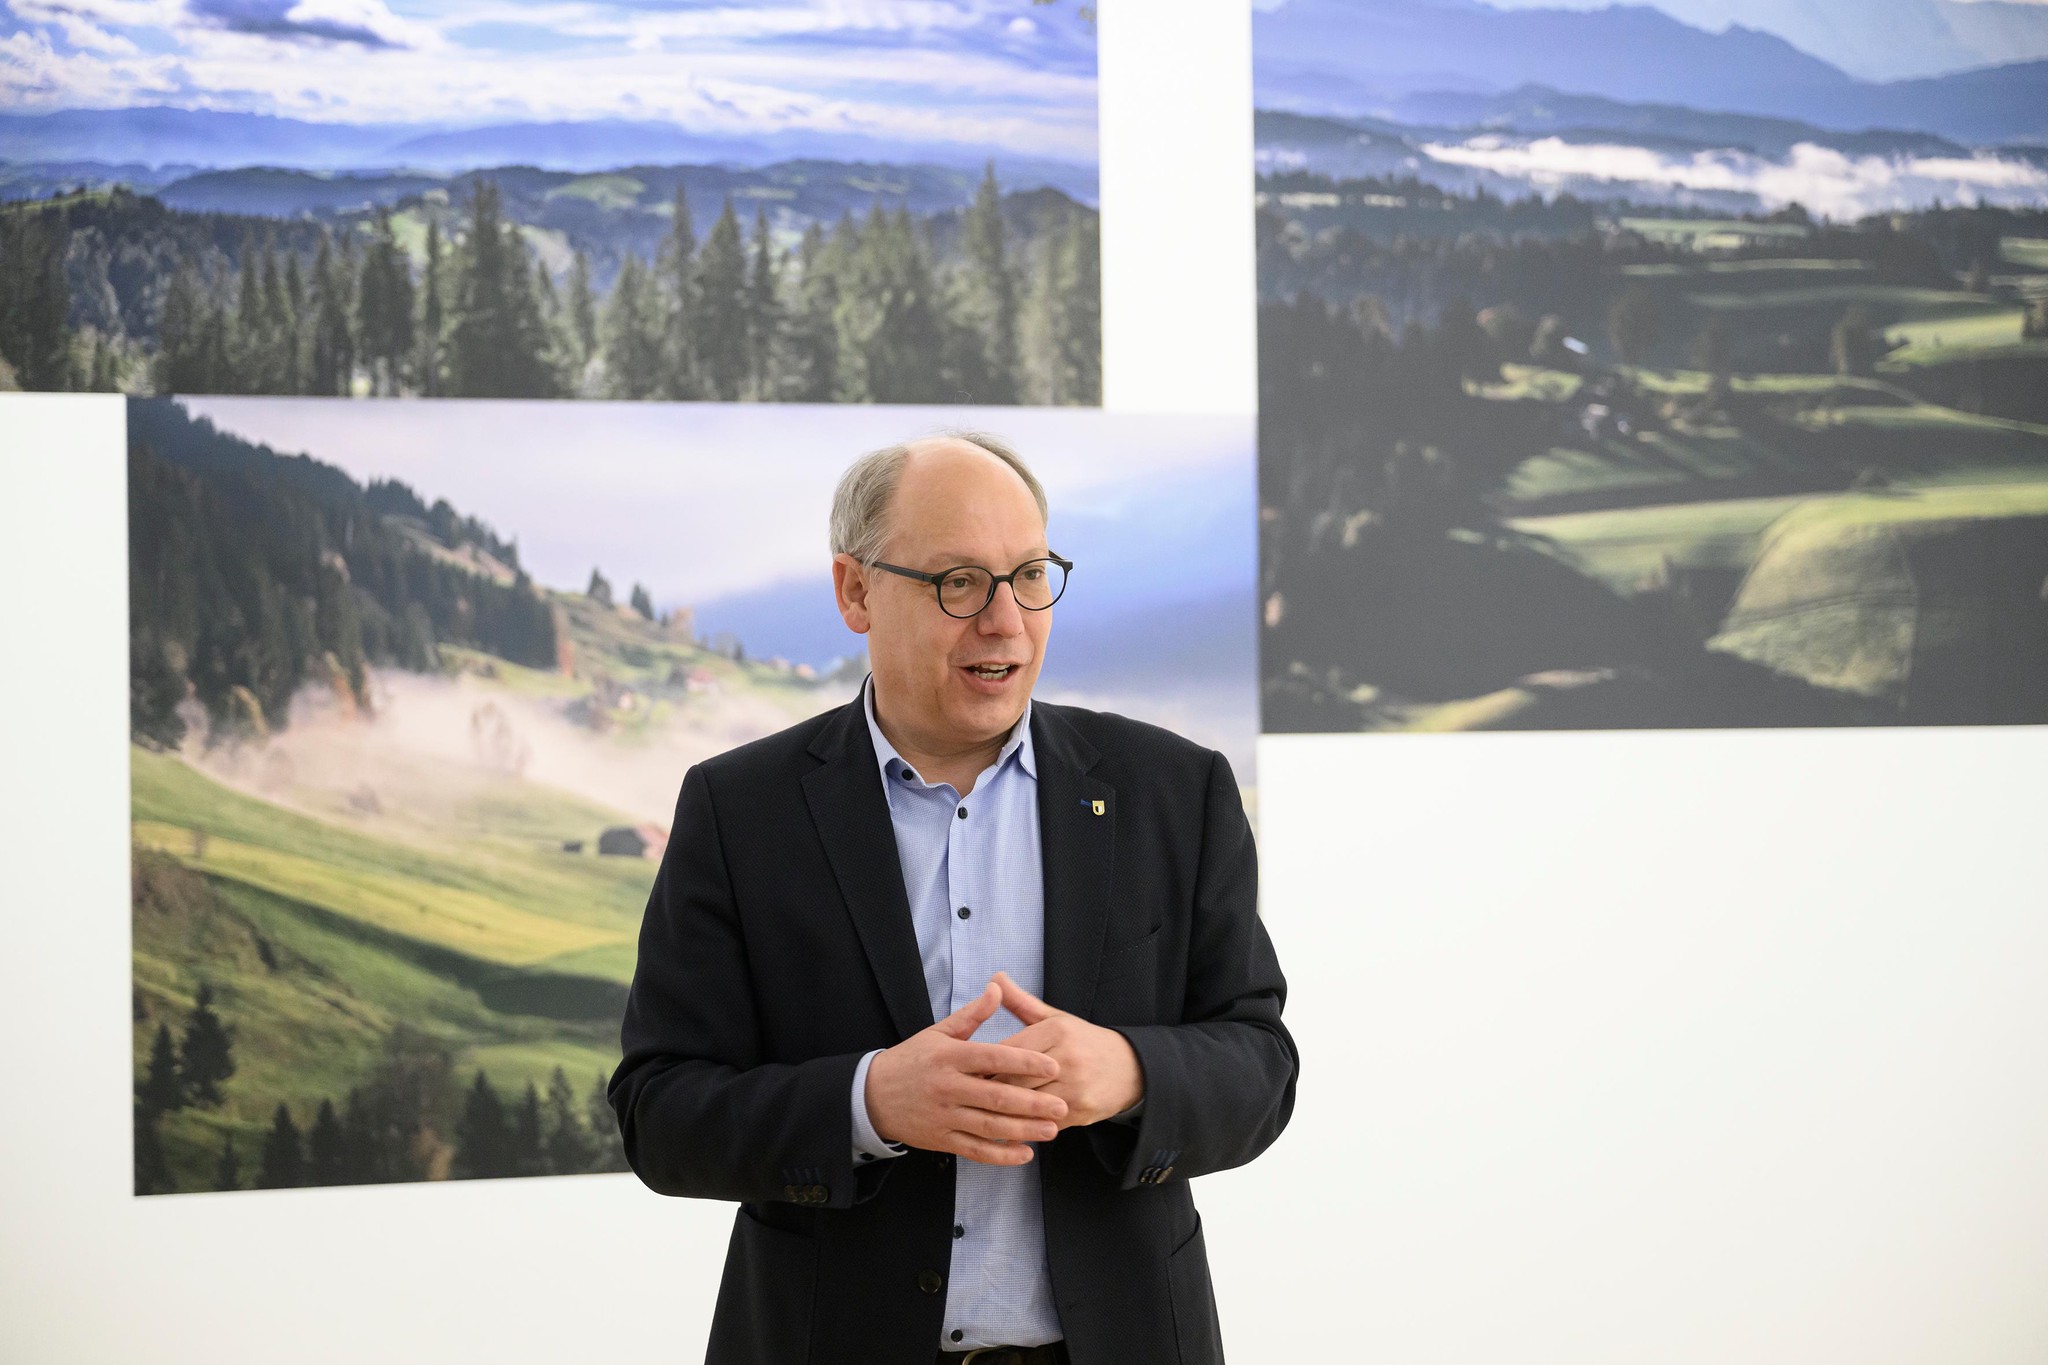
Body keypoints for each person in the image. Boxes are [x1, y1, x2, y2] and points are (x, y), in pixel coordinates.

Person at [609, 431, 1297, 1365]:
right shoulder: (741, 810)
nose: (1006, 620)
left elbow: (1261, 1066)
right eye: (960, 582)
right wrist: (867, 1102)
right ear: (856, 591)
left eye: (1028, 574)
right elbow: (661, 1111)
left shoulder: (1174, 791)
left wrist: (1127, 1073)